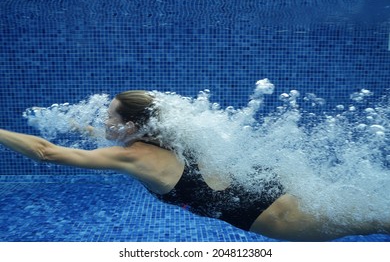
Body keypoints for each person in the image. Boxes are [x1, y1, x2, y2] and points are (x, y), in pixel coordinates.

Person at [0, 90, 389, 241]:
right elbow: (109, 138)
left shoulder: (133, 155)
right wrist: (79, 127)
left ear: (133, 127)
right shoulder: (164, 137)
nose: (104, 124)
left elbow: (47, 153)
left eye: (109, 118)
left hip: (283, 216)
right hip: (273, 189)